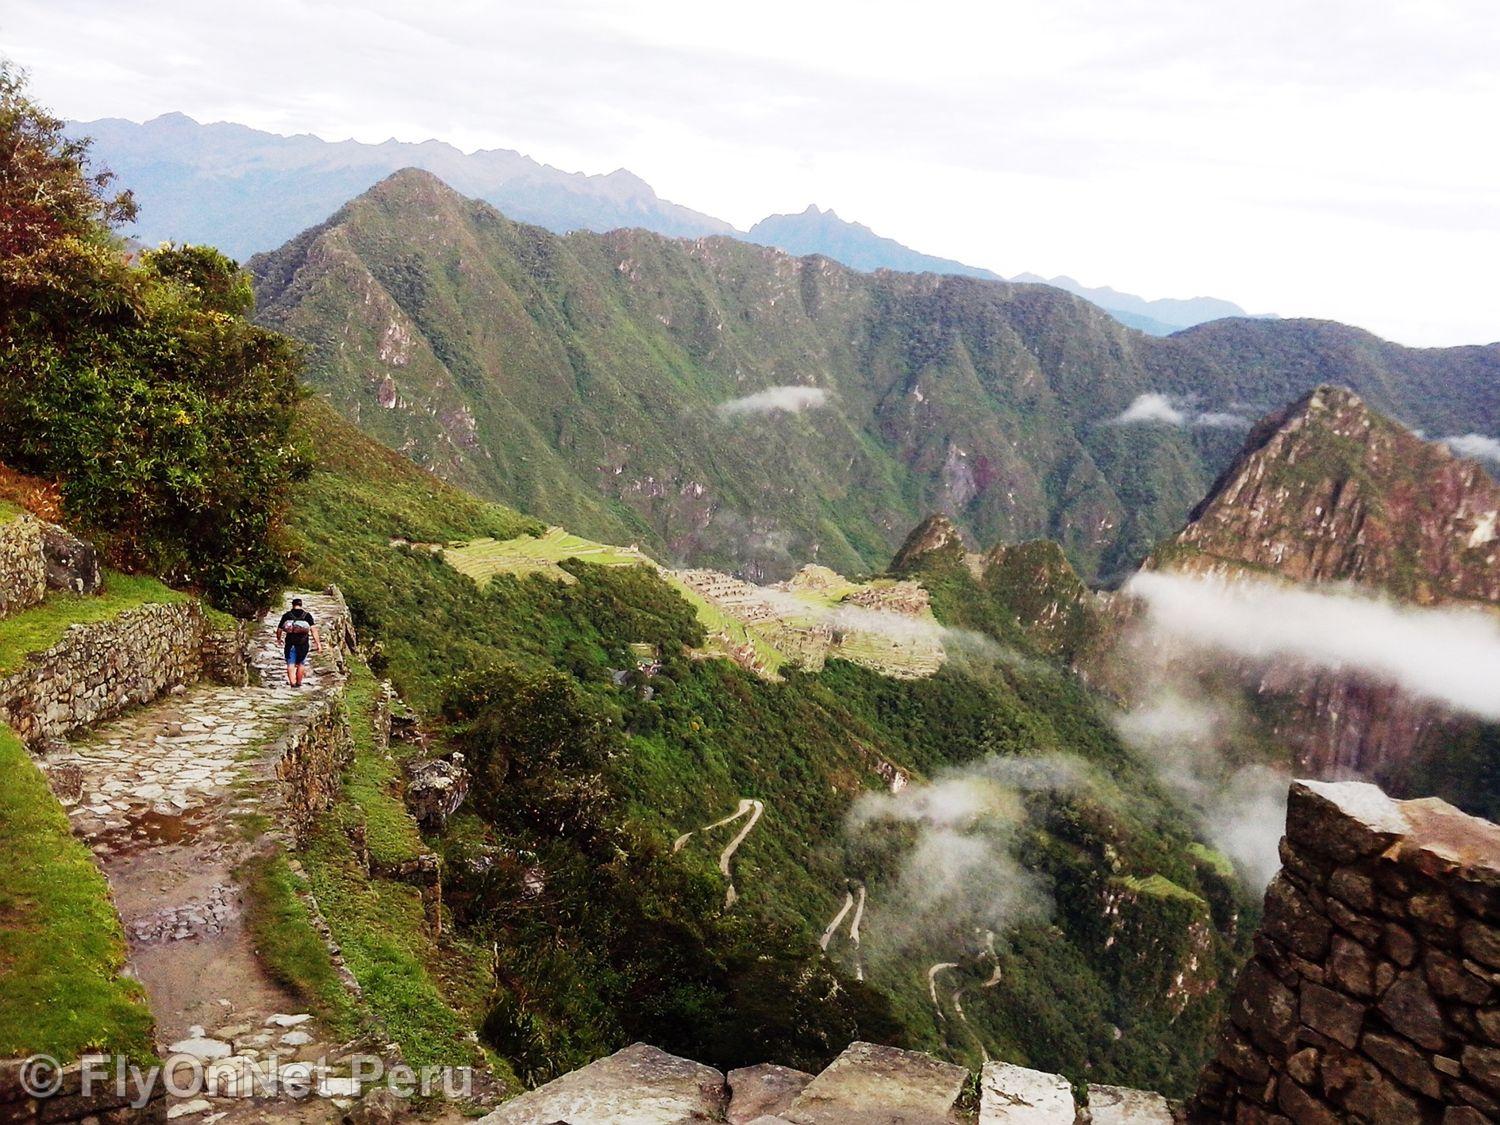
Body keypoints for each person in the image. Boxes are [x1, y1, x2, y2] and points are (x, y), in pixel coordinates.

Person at [275, 598, 322, 688]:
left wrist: (279, 639)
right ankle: (299, 682)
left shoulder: (287, 615)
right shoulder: (307, 615)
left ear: (292, 605)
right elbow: (314, 630)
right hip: (303, 643)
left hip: (290, 643)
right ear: (301, 605)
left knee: (290, 663)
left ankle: (292, 682)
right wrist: (318, 643)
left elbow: (279, 629)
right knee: (301, 663)